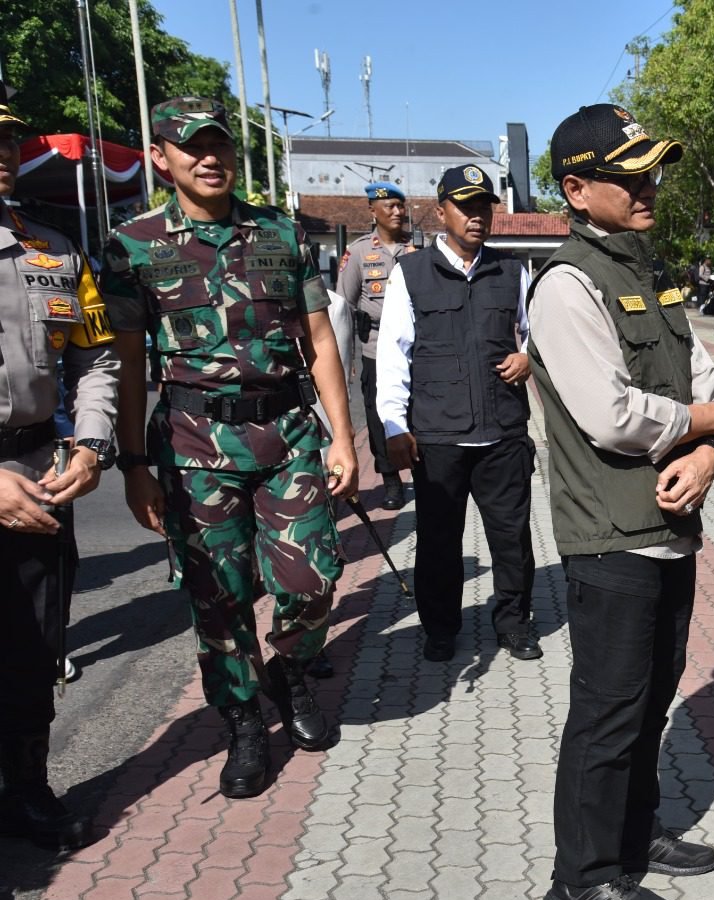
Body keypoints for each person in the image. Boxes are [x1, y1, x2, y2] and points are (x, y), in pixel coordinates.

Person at [105, 97, 351, 799]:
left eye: (220, 146)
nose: (210, 158)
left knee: (309, 582)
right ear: (161, 158)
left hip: (287, 437)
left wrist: (344, 440)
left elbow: (321, 340)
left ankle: (293, 669)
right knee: (221, 598)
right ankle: (243, 721)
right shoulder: (134, 244)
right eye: (192, 147)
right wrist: (132, 467)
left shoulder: (278, 232)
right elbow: (125, 364)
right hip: (190, 447)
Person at [528, 103, 714, 900]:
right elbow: (612, 414)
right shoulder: (568, 284)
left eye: (651, 170)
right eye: (628, 174)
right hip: (612, 535)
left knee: (651, 700)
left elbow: (707, 380)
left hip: (668, 529)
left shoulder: (649, 270)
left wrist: (712, 447)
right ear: (577, 189)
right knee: (609, 709)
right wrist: (705, 424)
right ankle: (583, 874)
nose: (649, 186)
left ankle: (634, 833)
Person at [0, 88, 118, 848]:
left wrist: (93, 443)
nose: (3, 153)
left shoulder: (55, 252)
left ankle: (26, 787)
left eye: (8, 139)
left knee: (37, 645)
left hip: (41, 464)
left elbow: (97, 355)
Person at [376, 165, 540, 664]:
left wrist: (529, 356)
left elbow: (536, 331)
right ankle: (441, 629)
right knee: (439, 544)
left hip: (502, 432)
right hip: (438, 436)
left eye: (484, 206)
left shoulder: (512, 271)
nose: (476, 216)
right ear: (442, 209)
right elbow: (393, 353)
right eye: (465, 206)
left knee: (512, 539)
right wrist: (393, 425)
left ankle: (513, 622)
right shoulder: (411, 273)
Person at [336, 180, 413, 510]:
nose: (397, 212)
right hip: (375, 348)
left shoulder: (418, 249)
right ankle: (391, 480)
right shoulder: (358, 252)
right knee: (381, 417)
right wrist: (346, 358)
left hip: (415, 348)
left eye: (400, 206)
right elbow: (342, 308)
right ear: (373, 211)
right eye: (389, 207)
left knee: (418, 413)